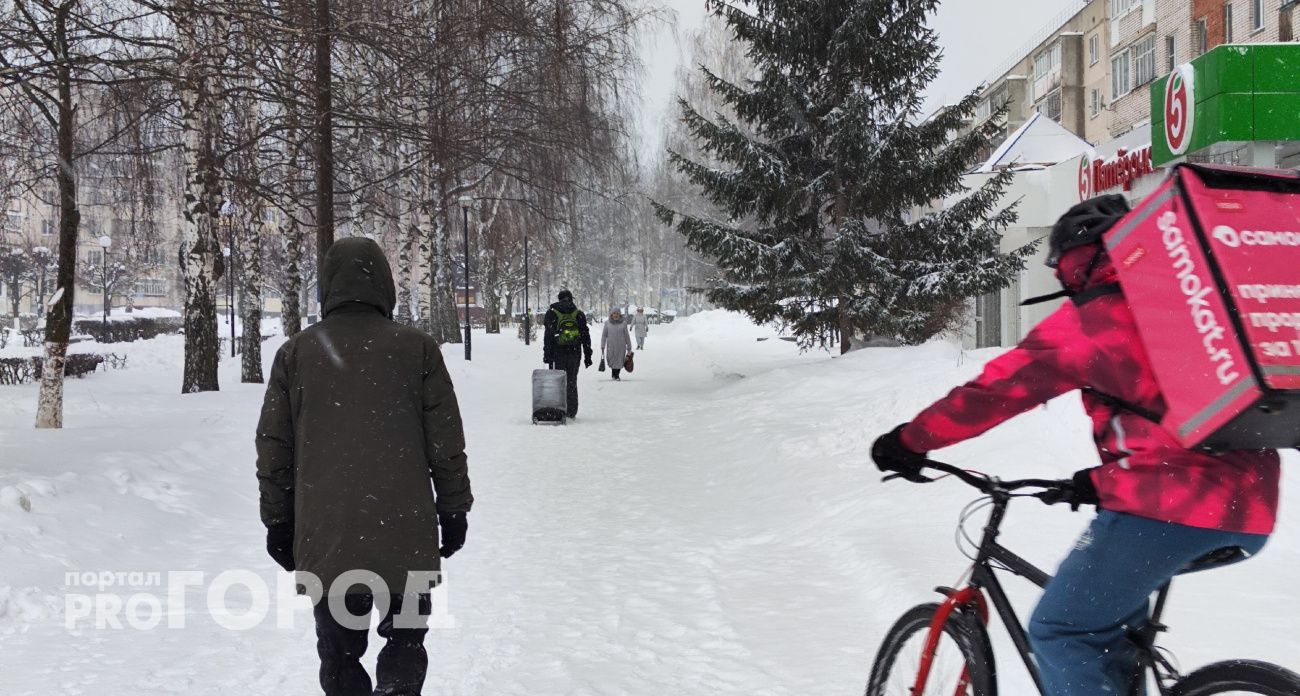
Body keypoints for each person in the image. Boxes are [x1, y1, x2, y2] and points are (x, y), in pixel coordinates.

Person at [870, 195, 1279, 696]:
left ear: (1076, 260)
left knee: (1062, 631)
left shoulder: (1096, 320)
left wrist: (908, 441)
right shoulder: (1193, 305)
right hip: (1252, 502)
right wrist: (1103, 483)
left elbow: (995, 392)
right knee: (1105, 634)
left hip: (1171, 505)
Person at [256, 237, 474, 696]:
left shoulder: (296, 354)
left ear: (327, 286)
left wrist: (278, 519)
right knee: (407, 643)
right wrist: (453, 509)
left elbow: (275, 447)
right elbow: (446, 442)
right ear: (386, 286)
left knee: (339, 654)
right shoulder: (417, 350)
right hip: (407, 534)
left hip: (329, 533)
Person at [543, 290, 593, 418]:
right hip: (574, 353)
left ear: (559, 299)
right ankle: (571, 411)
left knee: (558, 381)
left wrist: (547, 354)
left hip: (557, 352)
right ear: (571, 299)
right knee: (571, 381)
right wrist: (588, 355)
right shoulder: (579, 314)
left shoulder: (552, 313)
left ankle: (559, 410)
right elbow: (585, 336)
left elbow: (548, 335)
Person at [601, 309, 634, 380]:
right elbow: (604, 335)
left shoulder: (623, 323)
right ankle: (614, 374)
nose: (616, 315)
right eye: (614, 313)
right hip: (611, 346)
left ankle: (616, 375)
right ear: (611, 314)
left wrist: (629, 346)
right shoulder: (607, 323)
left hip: (621, 346)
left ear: (620, 315)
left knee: (619, 360)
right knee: (612, 359)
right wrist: (602, 345)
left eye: (617, 313)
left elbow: (626, 336)